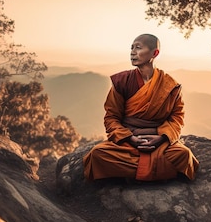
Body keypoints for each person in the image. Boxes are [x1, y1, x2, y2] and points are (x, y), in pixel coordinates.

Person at [83, 34, 199, 181]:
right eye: (131, 48)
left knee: (183, 155)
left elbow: (177, 118)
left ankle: (128, 175)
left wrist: (161, 137)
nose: (132, 52)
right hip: (128, 141)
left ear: (154, 53)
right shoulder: (122, 81)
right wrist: (130, 138)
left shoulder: (170, 85)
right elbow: (112, 117)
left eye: (138, 47)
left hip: (158, 141)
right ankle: (160, 172)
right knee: (98, 154)